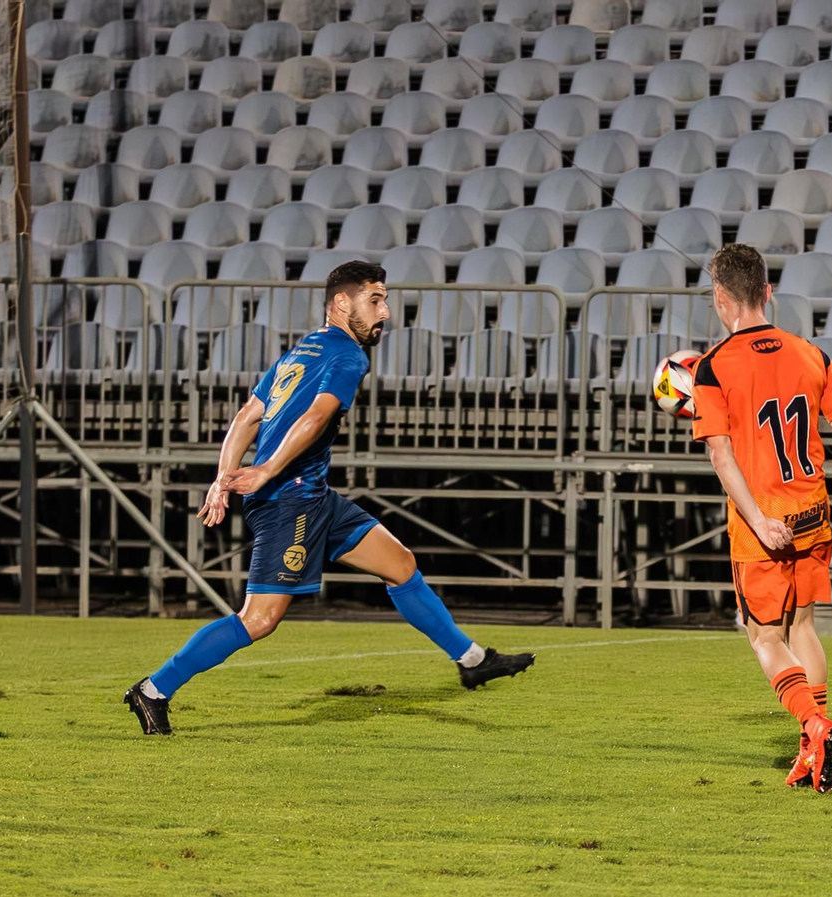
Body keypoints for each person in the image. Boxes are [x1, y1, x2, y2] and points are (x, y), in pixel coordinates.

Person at [124, 261, 536, 735]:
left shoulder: (301, 352)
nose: (385, 311)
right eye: (375, 300)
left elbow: (245, 416)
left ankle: (472, 660)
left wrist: (223, 477)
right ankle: (153, 689)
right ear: (343, 302)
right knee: (258, 619)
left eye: (385, 300)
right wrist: (263, 471)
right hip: (289, 499)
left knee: (400, 564)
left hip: (312, 494)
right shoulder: (347, 356)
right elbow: (317, 418)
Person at [689, 244, 832, 791]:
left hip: (761, 523)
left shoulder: (712, 367)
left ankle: (814, 723)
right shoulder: (810, 352)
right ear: (767, 292)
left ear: (721, 299)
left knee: (764, 637)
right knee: (804, 628)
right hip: (814, 511)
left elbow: (721, 456)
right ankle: (812, 751)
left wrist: (760, 520)